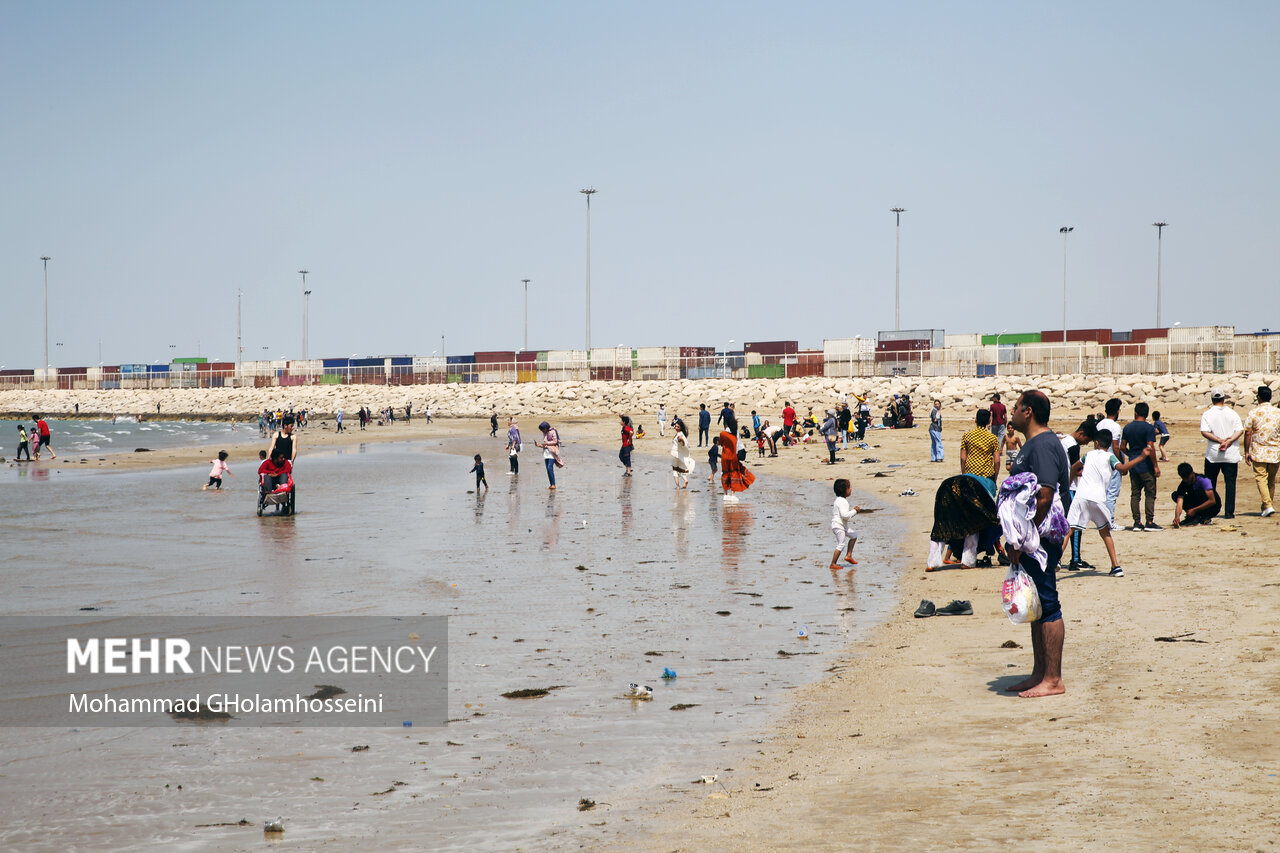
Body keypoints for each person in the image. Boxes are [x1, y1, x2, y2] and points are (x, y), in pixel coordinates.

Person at [1003, 389, 1071, 698]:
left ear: (1027, 411)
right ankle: (1039, 673)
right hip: (1034, 538)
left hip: (1039, 539)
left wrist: (1022, 539)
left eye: (1015, 407)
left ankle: (1053, 679)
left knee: (1048, 602)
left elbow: (1044, 495)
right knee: (1036, 605)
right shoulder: (1037, 443)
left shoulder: (1042, 445)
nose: (1011, 413)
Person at [1068, 427, 1151, 577]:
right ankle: (1116, 566)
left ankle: (1054, 564)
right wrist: (1141, 457)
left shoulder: (1089, 454)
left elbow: (1074, 467)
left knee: (1068, 531)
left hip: (1081, 496)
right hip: (1098, 499)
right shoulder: (1110, 457)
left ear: (1097, 442)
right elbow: (1123, 468)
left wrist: (1069, 481)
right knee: (1105, 532)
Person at [1200, 389, 1243, 520]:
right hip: (1230, 454)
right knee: (1230, 484)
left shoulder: (1207, 414)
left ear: (1212, 400)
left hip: (1213, 454)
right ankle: (1229, 512)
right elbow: (1239, 430)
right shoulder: (1232, 413)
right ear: (1224, 399)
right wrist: (1229, 440)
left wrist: (1219, 440)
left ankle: (1210, 510)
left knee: (1210, 484)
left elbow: (1204, 431)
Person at [1120, 402, 1161, 530]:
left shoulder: (1127, 428)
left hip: (1133, 464)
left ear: (1136, 413)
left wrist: (1131, 455)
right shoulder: (1149, 428)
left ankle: (1137, 522)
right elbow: (1151, 448)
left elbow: (1122, 447)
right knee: (1150, 493)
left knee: (1135, 494)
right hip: (1146, 465)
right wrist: (1155, 466)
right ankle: (1149, 521)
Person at [1243, 385, 1280, 517]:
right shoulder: (1277, 412)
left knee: (1261, 479)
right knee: (1270, 480)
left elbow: (1247, 433)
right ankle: (1266, 506)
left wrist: (1246, 451)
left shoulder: (1253, 412)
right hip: (1275, 451)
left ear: (1259, 398)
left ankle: (1268, 505)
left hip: (1259, 451)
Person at [1097, 398, 1127, 526]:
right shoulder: (1115, 426)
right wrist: (1121, 465)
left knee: (1103, 491)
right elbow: (1115, 447)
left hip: (1099, 460)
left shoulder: (1099, 425)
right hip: (1112, 462)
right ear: (1117, 411)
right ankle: (1110, 521)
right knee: (1112, 492)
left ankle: (1102, 521)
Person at [1171, 462, 1221, 527]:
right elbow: (1180, 503)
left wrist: (1194, 510)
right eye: (1184, 478)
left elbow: (1212, 501)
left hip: (1212, 507)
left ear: (1192, 473)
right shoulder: (1183, 484)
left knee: (1199, 493)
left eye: (1187, 477)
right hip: (1197, 504)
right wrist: (1177, 517)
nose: (1186, 480)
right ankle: (1194, 517)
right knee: (1175, 495)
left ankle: (1202, 517)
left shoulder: (1204, 480)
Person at [961, 409, 1001, 488]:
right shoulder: (993, 438)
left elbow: (963, 458)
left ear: (976, 420)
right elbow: (997, 461)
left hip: (971, 473)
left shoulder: (967, 436)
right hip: (987, 475)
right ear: (989, 421)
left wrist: (964, 475)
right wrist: (994, 479)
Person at [829, 478, 861, 570]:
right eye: (849, 487)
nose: (851, 489)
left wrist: (853, 512)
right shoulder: (843, 501)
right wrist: (854, 511)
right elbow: (845, 516)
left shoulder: (839, 500)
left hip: (841, 525)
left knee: (854, 535)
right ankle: (833, 563)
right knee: (841, 544)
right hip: (839, 526)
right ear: (844, 490)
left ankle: (849, 555)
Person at [718, 430, 755, 502]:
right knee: (734, 473)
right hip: (733, 455)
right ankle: (732, 495)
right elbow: (737, 444)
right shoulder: (735, 433)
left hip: (725, 455)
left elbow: (721, 443)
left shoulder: (722, 433)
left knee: (725, 473)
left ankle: (725, 495)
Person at [535, 421, 563, 490]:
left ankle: (553, 484)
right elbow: (545, 445)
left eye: (542, 429)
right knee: (548, 469)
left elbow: (555, 441)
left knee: (550, 467)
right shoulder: (545, 433)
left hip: (552, 452)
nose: (542, 431)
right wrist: (539, 445)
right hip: (546, 452)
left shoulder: (553, 431)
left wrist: (546, 443)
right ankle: (551, 484)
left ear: (546, 428)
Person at [670, 417, 694, 489]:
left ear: (680, 427)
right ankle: (685, 480)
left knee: (675, 470)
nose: (676, 428)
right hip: (679, 454)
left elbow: (683, 443)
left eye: (678, 427)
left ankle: (677, 486)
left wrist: (682, 440)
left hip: (675, 454)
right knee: (680, 469)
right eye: (676, 426)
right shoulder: (681, 434)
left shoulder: (679, 435)